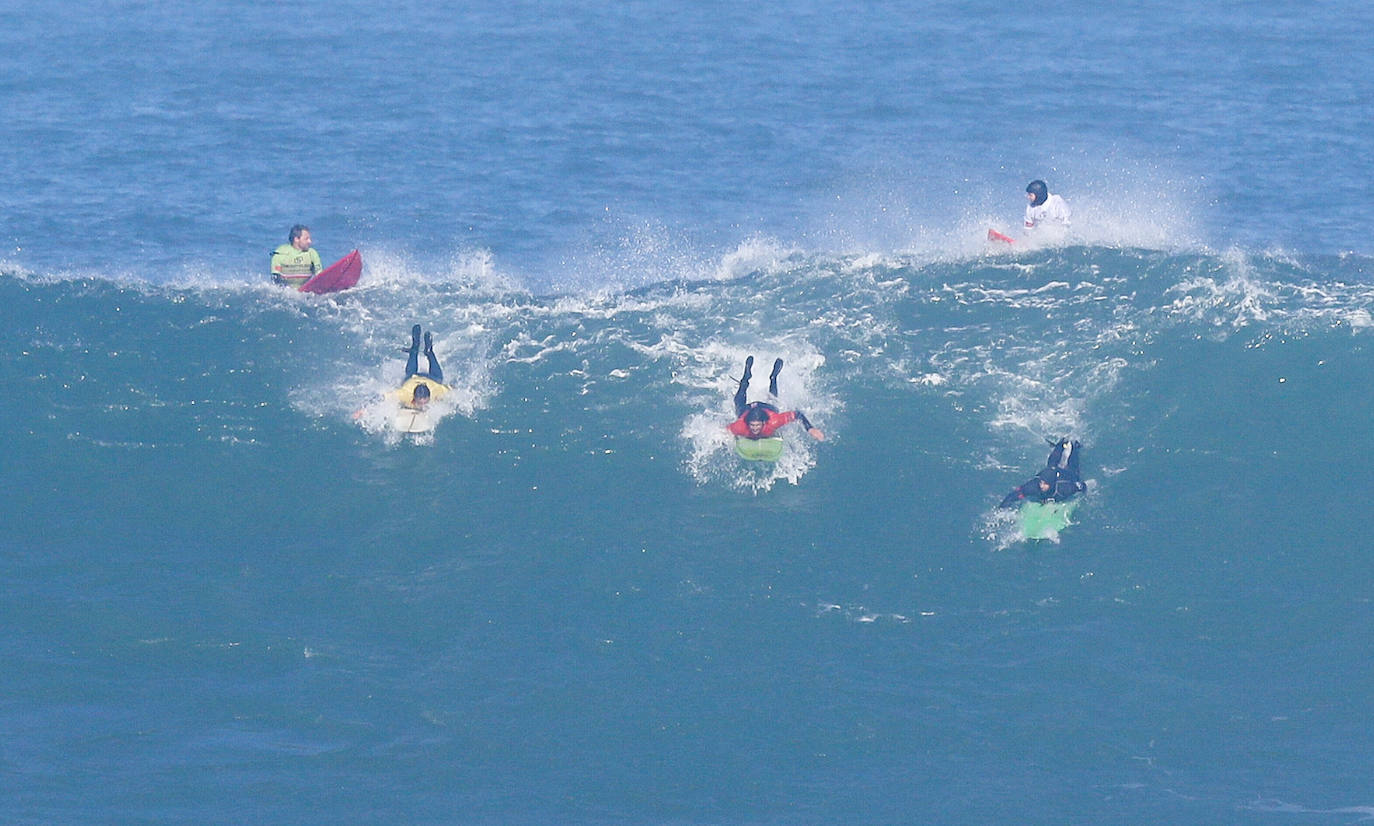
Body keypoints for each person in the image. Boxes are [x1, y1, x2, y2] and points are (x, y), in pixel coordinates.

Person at [727, 356, 825, 441]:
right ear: (748, 423)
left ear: (764, 423)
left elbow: (797, 414)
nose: (754, 429)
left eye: (757, 425)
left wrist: (810, 429)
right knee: (738, 404)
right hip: (747, 410)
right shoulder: (740, 426)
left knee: (773, 400)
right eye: (752, 425)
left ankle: (773, 377)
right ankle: (745, 378)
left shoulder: (774, 421)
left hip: (767, 409)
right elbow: (724, 431)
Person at [999, 437, 1088, 508]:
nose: (1041, 485)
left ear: (1051, 483)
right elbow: (1014, 495)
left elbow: (1082, 486)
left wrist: (1081, 497)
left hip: (1066, 475)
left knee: (1074, 470)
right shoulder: (1034, 486)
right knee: (1051, 465)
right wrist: (1002, 509)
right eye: (1041, 482)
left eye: (1045, 484)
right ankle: (1061, 444)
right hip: (1051, 471)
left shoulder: (1065, 488)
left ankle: (1074, 446)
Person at [397, 324, 447, 409]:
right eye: (420, 403)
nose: (423, 406)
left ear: (429, 397)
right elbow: (383, 397)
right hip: (412, 379)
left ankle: (422, 349)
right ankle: (423, 350)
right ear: (414, 397)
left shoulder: (437, 390)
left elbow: (453, 390)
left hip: (431, 380)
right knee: (410, 374)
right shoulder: (405, 393)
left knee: (439, 379)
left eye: (425, 402)